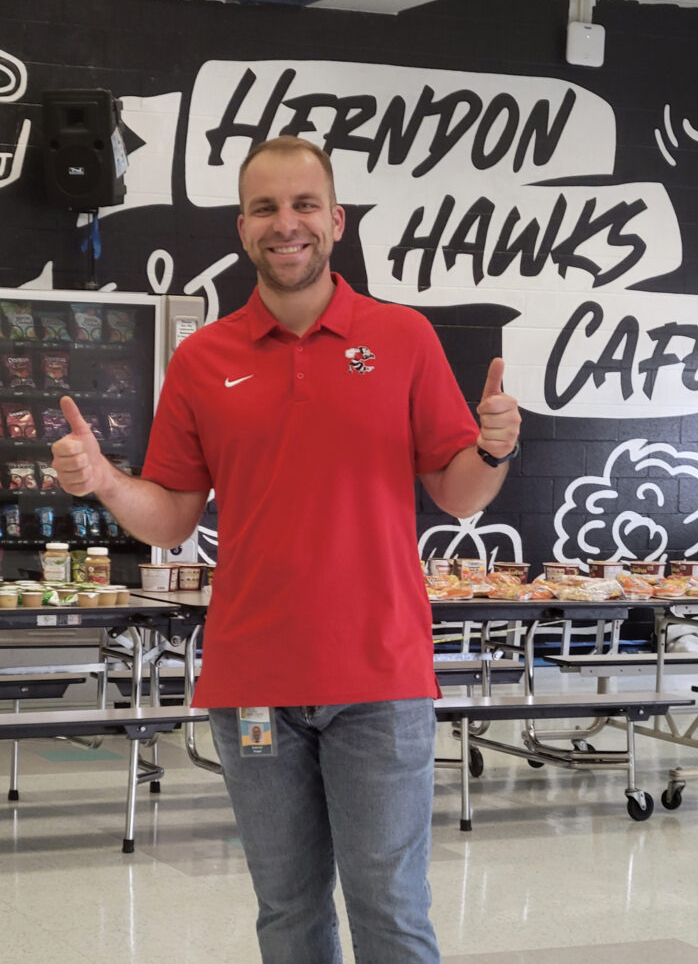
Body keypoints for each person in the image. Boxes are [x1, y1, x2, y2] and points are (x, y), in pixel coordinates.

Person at [51, 135, 521, 964]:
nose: (286, 223)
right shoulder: (203, 361)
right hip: (254, 681)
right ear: (242, 228)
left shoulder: (402, 338)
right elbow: (169, 519)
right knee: (289, 914)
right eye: (265, 207)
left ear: (335, 220)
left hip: (380, 675)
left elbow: (457, 493)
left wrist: (490, 451)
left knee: (391, 909)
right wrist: (104, 483)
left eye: (304, 204)